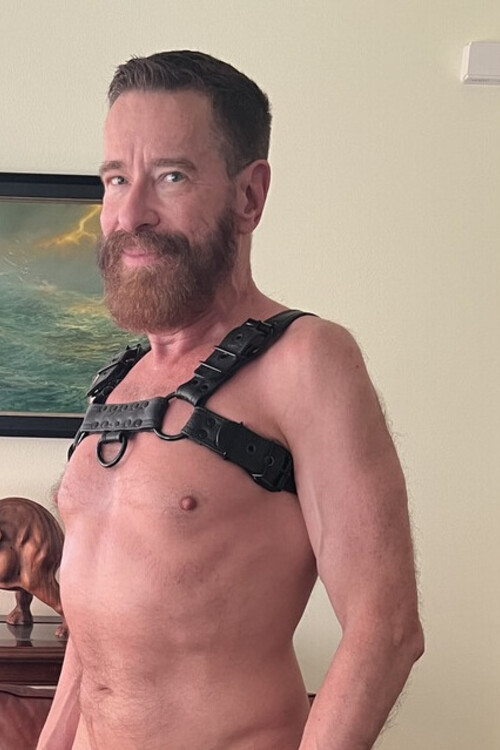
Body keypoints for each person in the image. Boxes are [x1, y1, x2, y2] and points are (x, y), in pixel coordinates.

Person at [37, 50, 424, 750]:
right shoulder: (116, 381)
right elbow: (94, 641)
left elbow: (386, 630)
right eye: (117, 179)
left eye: (171, 177)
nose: (130, 213)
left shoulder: (307, 360)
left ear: (249, 196)